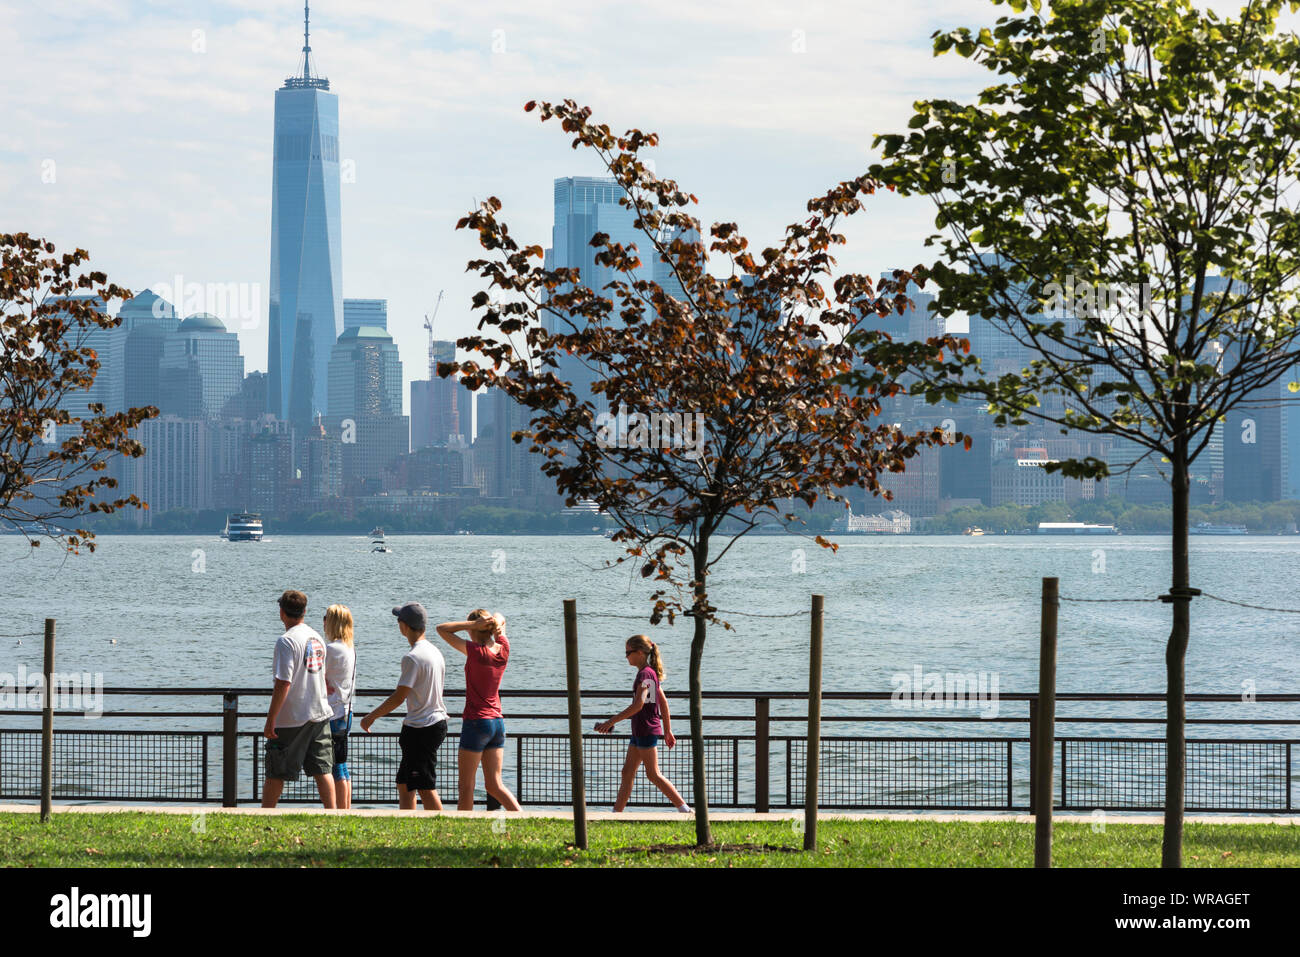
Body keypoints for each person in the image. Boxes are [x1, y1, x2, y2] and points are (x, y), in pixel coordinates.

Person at [360, 602, 447, 810]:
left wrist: (371, 716)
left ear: (404, 626)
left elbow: (399, 696)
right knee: (405, 783)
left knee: (424, 785)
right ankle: (408, 820)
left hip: (422, 727)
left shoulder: (412, 657)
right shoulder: (434, 651)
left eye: (399, 620)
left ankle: (443, 826)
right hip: (432, 722)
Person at [435, 609, 521, 812]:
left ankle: (464, 831)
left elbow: (441, 629)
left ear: (475, 630)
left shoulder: (475, 651)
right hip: (497, 723)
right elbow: (501, 616)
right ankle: (523, 818)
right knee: (494, 784)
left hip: (476, 722)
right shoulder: (503, 649)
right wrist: (496, 623)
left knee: (466, 786)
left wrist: (471, 625)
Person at [595, 634, 690, 813]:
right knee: (627, 772)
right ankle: (616, 814)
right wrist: (668, 731)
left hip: (646, 729)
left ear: (639, 652)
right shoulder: (650, 673)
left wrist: (610, 722)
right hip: (641, 730)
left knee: (653, 774)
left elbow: (638, 704)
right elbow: (662, 702)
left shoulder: (645, 674)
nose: (626, 657)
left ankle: (685, 809)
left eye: (628, 653)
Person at [263, 590, 336, 809]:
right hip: (320, 713)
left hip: (292, 717)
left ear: (281, 613)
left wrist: (271, 719)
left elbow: (283, 682)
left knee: (277, 770)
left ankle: (265, 814)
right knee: (322, 769)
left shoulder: (286, 641)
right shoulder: (316, 637)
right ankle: (334, 815)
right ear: (304, 611)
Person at [323, 604, 357, 810]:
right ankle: (346, 809)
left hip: (333, 712)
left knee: (335, 766)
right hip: (347, 710)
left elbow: (315, 673)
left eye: (325, 618)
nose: (324, 622)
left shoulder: (331, 649)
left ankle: (338, 810)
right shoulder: (349, 648)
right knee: (342, 765)